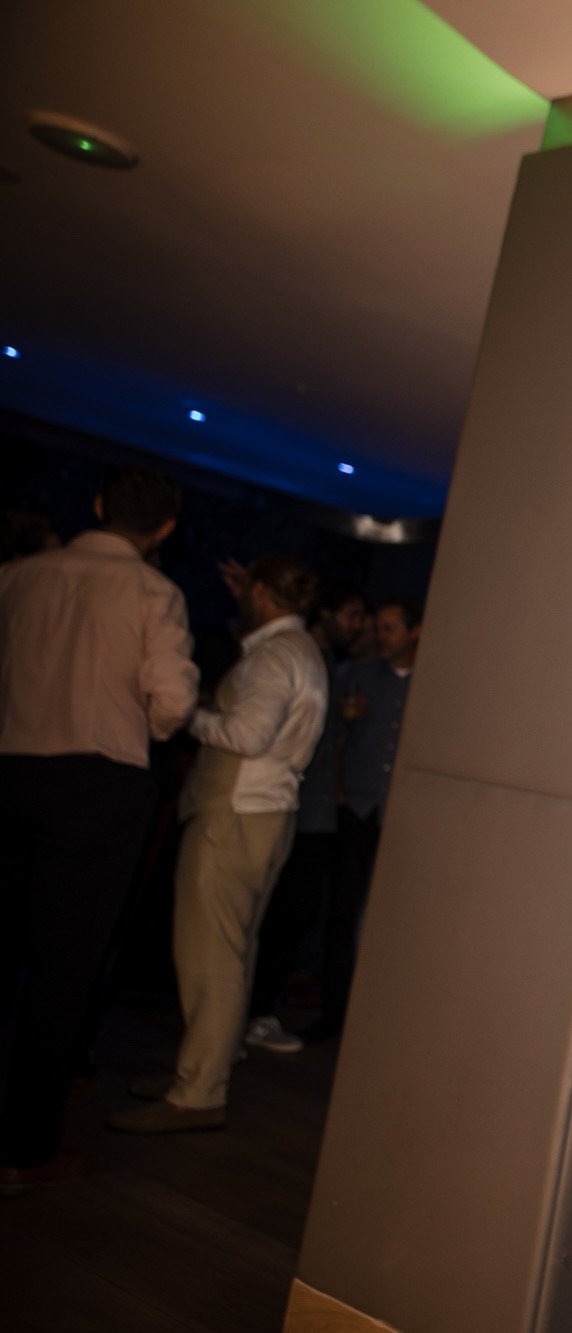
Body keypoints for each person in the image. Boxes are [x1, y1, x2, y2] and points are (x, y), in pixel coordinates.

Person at [0, 466, 198, 1189]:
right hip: (96, 783)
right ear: (165, 529)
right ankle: (22, 1150)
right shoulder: (154, 592)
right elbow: (172, 704)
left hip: (8, 768)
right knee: (61, 971)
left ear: (96, 505)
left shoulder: (19, 576)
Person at [109, 556, 326, 1133]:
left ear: (261, 592)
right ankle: (206, 1069)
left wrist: (192, 718)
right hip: (265, 816)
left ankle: (199, 1091)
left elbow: (248, 735)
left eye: (247, 590)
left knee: (210, 959)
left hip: (234, 817)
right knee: (233, 952)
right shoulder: (295, 649)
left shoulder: (276, 657)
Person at [242, 583, 367, 1053]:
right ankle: (251, 1012)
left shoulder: (328, 663)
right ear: (325, 611)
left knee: (291, 915)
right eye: (353, 614)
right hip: (291, 807)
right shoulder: (302, 658)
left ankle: (254, 1009)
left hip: (314, 813)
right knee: (279, 914)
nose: (359, 626)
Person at [307, 595, 420, 1042]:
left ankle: (376, 1017)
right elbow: (336, 737)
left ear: (414, 632)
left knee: (389, 915)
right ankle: (333, 1013)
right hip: (356, 809)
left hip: (402, 813)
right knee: (342, 911)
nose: (379, 634)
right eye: (377, 626)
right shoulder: (356, 677)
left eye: (390, 627)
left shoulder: (433, 681)